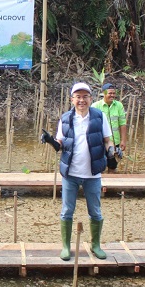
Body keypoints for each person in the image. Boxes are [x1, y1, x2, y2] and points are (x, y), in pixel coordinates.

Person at [41, 82, 114, 261]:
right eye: (78, 97)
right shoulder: (66, 118)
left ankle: (96, 245)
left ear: (90, 98)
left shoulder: (99, 117)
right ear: (72, 99)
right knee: (67, 211)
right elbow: (59, 145)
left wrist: (112, 150)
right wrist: (50, 140)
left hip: (93, 174)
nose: (81, 100)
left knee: (95, 211)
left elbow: (107, 140)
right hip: (71, 174)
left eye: (85, 96)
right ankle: (66, 246)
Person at [91, 83, 127, 171]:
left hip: (115, 142)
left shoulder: (119, 105)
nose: (112, 95)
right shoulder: (95, 106)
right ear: (104, 93)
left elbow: (122, 123)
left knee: (112, 166)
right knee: (99, 167)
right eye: (110, 93)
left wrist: (123, 140)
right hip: (100, 142)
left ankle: (111, 183)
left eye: (114, 93)